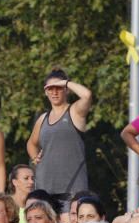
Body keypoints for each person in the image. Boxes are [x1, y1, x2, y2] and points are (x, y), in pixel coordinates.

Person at [27, 69, 93, 204]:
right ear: (45, 92)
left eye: (59, 88)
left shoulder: (75, 111)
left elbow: (87, 95)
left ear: (66, 90)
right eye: (50, 88)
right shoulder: (43, 118)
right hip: (45, 186)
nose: (54, 92)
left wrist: (66, 82)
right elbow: (31, 143)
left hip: (72, 187)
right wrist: (35, 158)